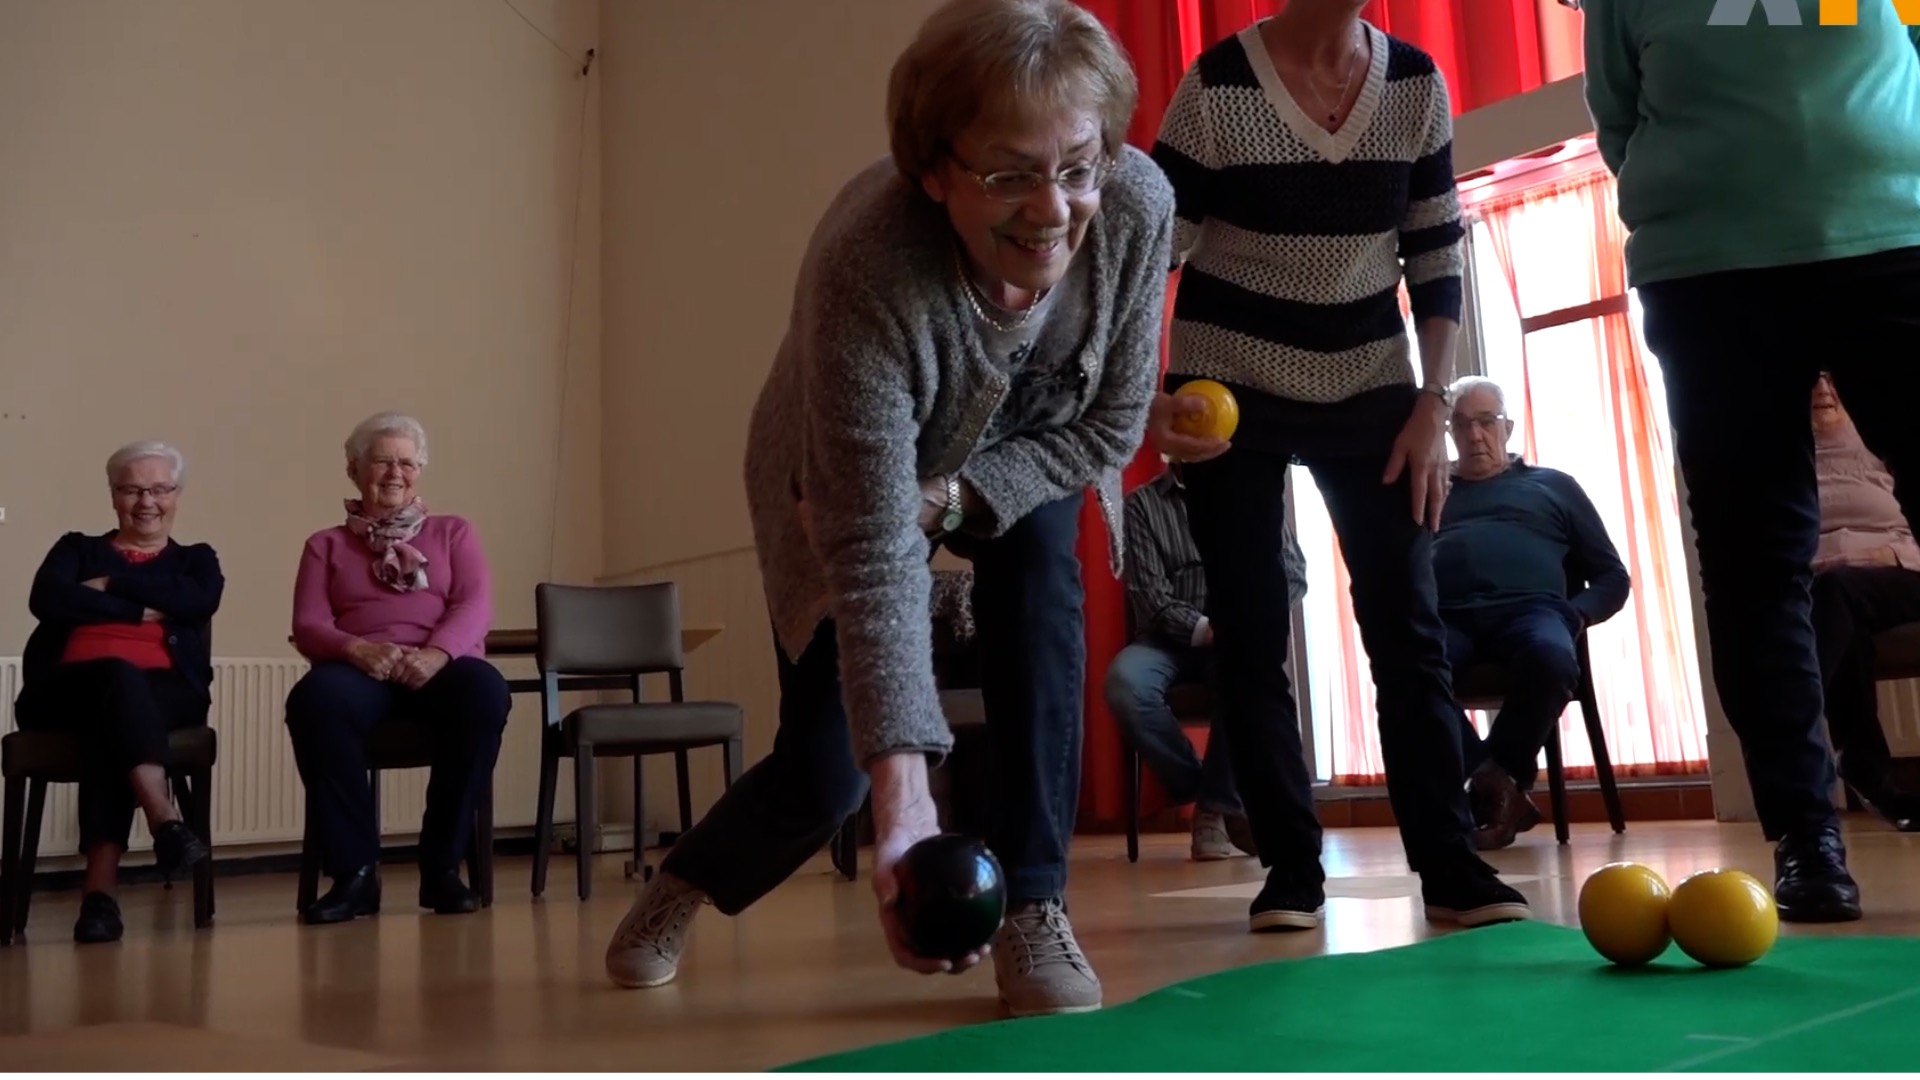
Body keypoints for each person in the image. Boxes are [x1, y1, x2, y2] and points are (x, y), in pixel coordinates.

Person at [601, 0, 1173, 1018]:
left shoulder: (1133, 206)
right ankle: (684, 880)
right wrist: (903, 808)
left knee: (1043, 584)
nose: (1053, 208)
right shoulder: (869, 261)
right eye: (1008, 174)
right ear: (934, 169)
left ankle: (1036, 904)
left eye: (1076, 165)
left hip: (1025, 453)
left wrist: (958, 496)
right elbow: (872, 553)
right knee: (830, 775)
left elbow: (1110, 429)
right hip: (845, 480)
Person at [1147, 0, 1530, 932]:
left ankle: (1449, 865)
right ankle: (1290, 869)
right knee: (1249, 625)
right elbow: (1146, 253)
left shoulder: (1413, 83)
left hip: (1373, 384)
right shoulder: (1216, 87)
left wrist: (1432, 403)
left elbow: (1438, 250)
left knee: (1406, 622)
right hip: (1225, 381)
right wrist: (1143, 400)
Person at [1583, 0, 1920, 922]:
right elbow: (1619, 119)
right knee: (1753, 560)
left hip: (1893, 245)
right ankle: (1805, 835)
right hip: (1711, 276)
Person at [285, 411, 509, 926]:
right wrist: (356, 649)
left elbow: (475, 605)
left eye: (406, 462)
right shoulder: (325, 544)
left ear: (420, 471)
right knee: (315, 701)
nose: (394, 473)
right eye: (382, 460)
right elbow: (310, 623)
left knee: (485, 692)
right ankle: (355, 876)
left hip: (441, 664)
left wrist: (437, 653)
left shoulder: (454, 532)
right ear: (353, 469)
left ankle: (441, 869)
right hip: (361, 667)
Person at [13, 441, 222, 944]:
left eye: (159, 489)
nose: (146, 501)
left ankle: (100, 897)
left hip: (169, 692)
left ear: (177, 495)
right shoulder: (76, 548)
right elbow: (47, 597)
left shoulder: (196, 559)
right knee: (115, 681)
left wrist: (108, 585)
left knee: (117, 699)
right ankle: (164, 817)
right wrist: (139, 609)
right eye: (131, 489)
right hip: (65, 691)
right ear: (113, 496)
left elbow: (199, 598)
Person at [1436, 377, 1630, 849]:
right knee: (1407, 664)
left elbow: (1612, 577)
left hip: (1533, 613)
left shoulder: (1554, 487)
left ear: (1508, 426)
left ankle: (1491, 784)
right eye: (1461, 425)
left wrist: (1574, 615)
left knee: (1551, 658)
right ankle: (1499, 785)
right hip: (1449, 618)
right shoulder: (1433, 488)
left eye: (1485, 422)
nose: (1474, 435)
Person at [1106, 460, 1307, 860]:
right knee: (1123, 683)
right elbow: (1150, 595)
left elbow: (1294, 573)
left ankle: (1213, 809)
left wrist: (1248, 623)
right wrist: (1208, 628)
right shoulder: (1142, 505)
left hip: (1238, 635)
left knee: (1244, 673)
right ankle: (1208, 792)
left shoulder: (1254, 492)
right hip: (1168, 639)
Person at [1809, 373, 1920, 831]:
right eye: (1811, 380)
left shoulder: (1882, 440)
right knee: (1836, 611)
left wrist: (1887, 554)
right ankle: (1871, 772)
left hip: (1904, 571)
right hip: (1829, 589)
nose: (1824, 389)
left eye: (1832, 378)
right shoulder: (1783, 464)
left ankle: (1805, 737)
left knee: (1834, 601)